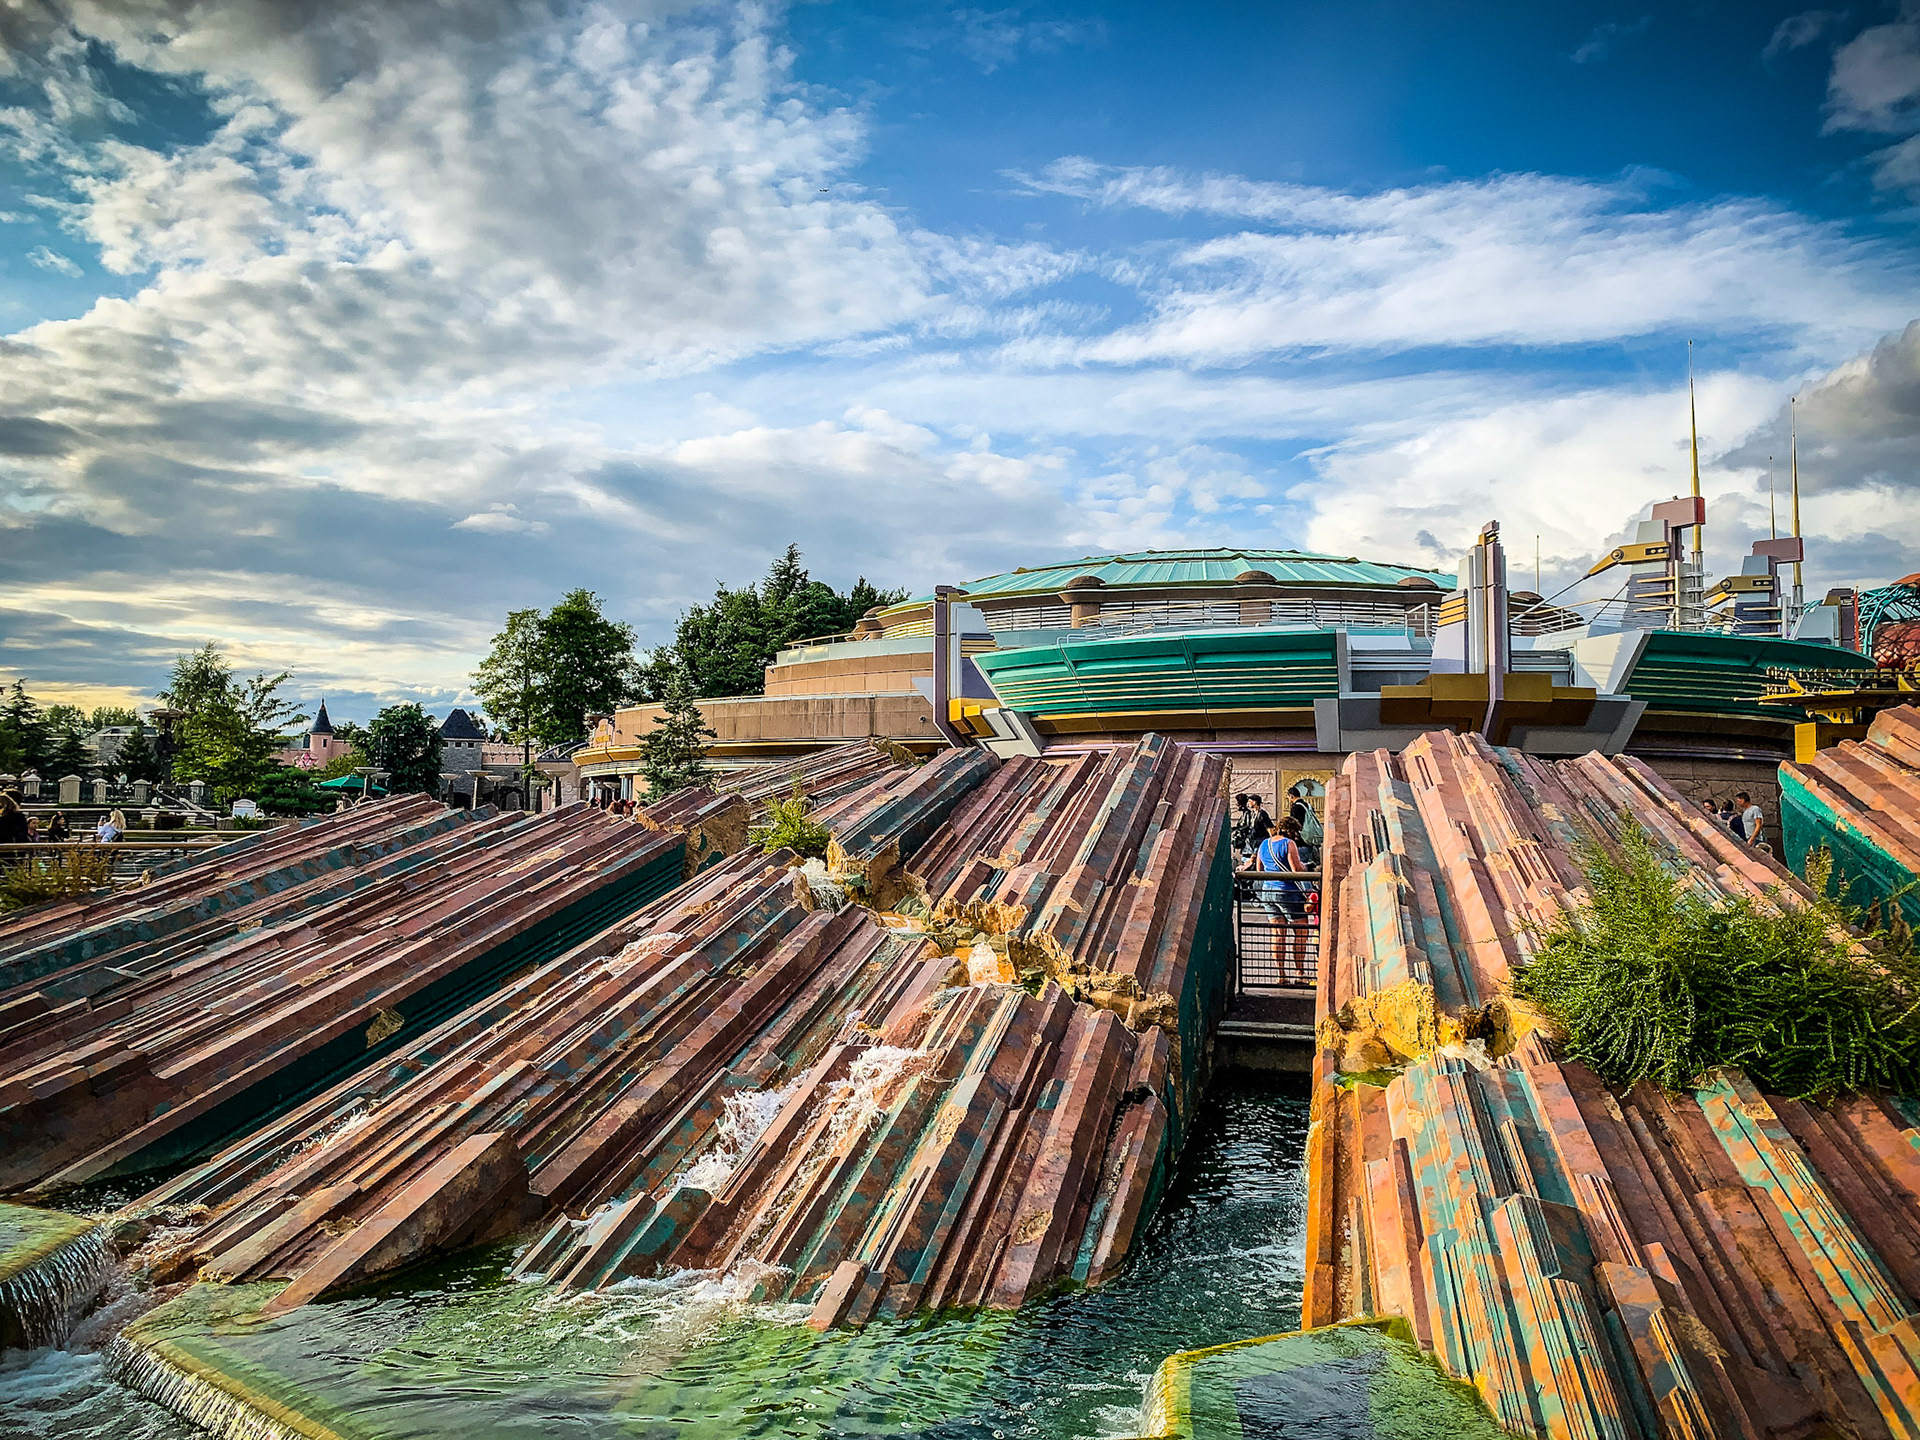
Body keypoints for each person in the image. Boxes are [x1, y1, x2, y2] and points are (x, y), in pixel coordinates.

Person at [1256, 817, 1311, 922]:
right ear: (1291, 830)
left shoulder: (1264, 843)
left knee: (1277, 933)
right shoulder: (1288, 843)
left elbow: (1259, 869)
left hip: (1267, 890)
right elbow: (1296, 870)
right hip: (1287, 890)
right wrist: (1304, 866)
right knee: (1301, 930)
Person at [1287, 783, 1324, 867]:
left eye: (1288, 797)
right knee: (1310, 865)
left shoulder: (1296, 807)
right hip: (1310, 840)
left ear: (1291, 796)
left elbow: (1295, 825)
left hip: (1301, 840)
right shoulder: (1308, 805)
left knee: (1302, 865)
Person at [1230, 793, 1253, 859]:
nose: (1236, 805)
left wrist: (1238, 830)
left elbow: (1248, 825)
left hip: (1248, 843)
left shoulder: (1247, 813)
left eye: (1238, 803)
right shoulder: (1244, 814)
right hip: (1245, 843)